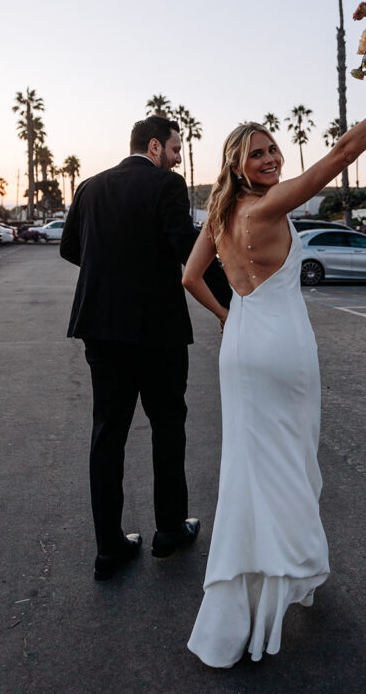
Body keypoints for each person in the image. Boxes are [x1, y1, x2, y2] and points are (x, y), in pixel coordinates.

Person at [182, 72, 366, 667]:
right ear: (239, 165)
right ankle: (286, 567)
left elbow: (189, 277)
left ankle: (255, 588)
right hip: (282, 347)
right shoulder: (269, 205)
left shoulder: (221, 215)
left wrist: (230, 315)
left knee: (252, 468)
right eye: (258, 153)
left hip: (243, 346)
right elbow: (346, 152)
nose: (271, 157)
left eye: (273, 148)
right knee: (290, 463)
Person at [60, 115, 230, 581]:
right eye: (176, 149)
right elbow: (185, 246)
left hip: (101, 329)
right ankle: (169, 531)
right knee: (168, 427)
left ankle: (109, 549)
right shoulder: (166, 185)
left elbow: (70, 248)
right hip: (158, 332)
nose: (178, 158)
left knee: (107, 435)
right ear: (155, 146)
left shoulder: (90, 186)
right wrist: (234, 298)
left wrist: (111, 267)